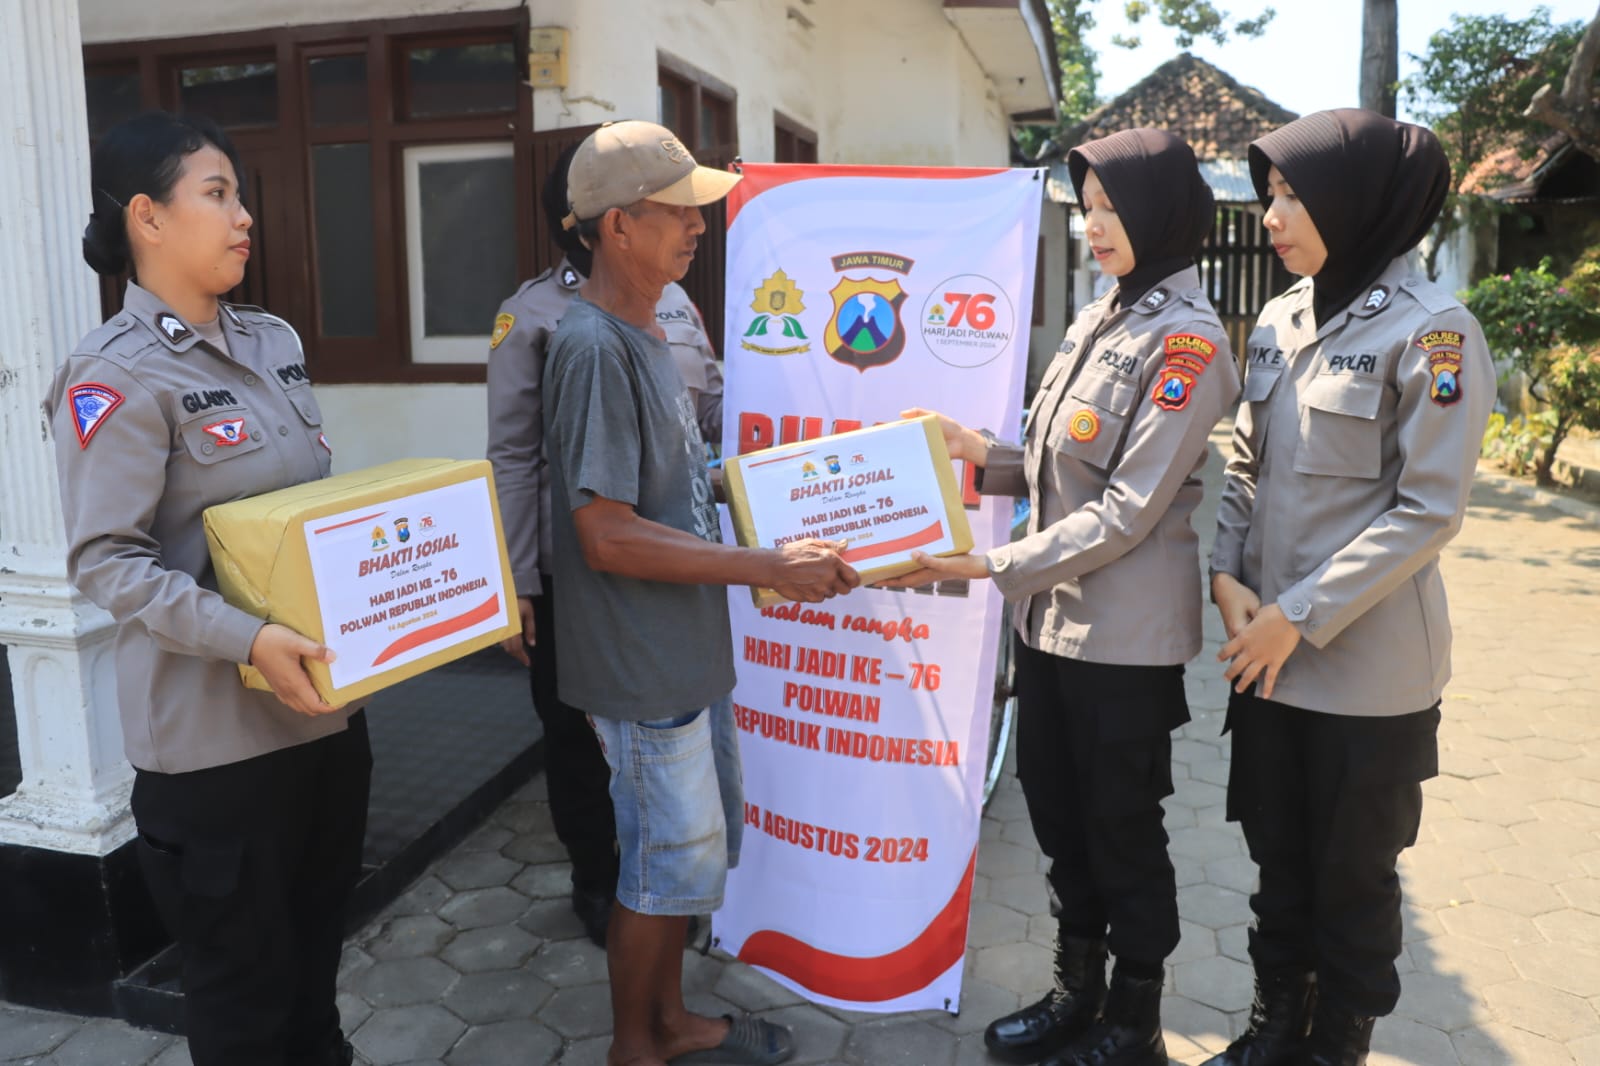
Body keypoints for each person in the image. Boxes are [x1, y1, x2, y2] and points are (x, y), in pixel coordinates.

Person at [885, 129, 1240, 1066]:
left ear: (1162, 211)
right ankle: (1075, 991)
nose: (1096, 227)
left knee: (1121, 828)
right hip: (1049, 624)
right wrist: (973, 448)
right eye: (1087, 211)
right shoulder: (1098, 319)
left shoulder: (1189, 342)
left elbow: (1127, 511)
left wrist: (986, 567)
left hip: (1122, 642)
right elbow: (1057, 468)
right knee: (1056, 813)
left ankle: (1134, 1021)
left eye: (1113, 209)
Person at [44, 111, 367, 1066]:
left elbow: (306, 517)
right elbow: (107, 560)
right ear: (146, 217)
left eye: (239, 194)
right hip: (217, 754)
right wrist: (249, 639)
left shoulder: (273, 340)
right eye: (217, 194)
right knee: (244, 1014)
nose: (244, 216)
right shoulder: (113, 376)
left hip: (324, 720)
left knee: (313, 989)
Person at [543, 120, 858, 1066]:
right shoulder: (592, 347)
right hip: (640, 662)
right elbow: (605, 533)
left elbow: (667, 486)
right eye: (677, 210)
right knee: (657, 867)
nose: (697, 226)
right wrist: (768, 568)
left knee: (682, 863)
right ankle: (634, 1047)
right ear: (616, 226)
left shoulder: (648, 331)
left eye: (698, 209)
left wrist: (795, 484)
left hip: (681, 648)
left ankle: (673, 1021)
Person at [1204, 110, 1494, 1066]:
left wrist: (1298, 614)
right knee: (1277, 860)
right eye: (1271, 194)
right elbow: (1244, 465)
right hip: (1268, 661)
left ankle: (1337, 1046)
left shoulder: (1435, 333)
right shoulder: (1280, 319)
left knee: (1354, 881)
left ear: (1359, 202)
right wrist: (1225, 574)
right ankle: (1273, 1029)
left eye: (1294, 195)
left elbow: (1429, 511)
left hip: (1367, 679)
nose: (1272, 216)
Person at [486, 142, 725, 947]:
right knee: (578, 742)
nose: (693, 224)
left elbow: (705, 415)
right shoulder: (540, 317)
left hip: (669, 566)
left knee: (663, 763)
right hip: (575, 569)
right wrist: (518, 578)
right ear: (599, 220)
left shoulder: (673, 303)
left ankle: (658, 899)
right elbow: (513, 455)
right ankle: (599, 881)